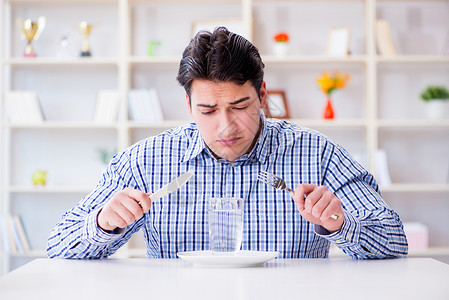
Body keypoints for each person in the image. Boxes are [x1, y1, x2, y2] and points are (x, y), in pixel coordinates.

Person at [47, 27, 408, 259]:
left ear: (262, 95)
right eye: (207, 110)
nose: (226, 126)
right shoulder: (145, 161)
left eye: (239, 106)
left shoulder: (318, 155)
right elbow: (59, 245)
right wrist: (103, 223)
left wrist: (339, 223)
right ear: (188, 105)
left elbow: (394, 241)